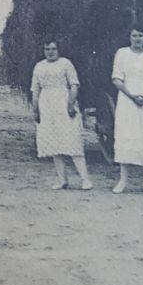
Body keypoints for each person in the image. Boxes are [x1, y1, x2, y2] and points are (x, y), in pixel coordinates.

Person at [110, 26, 143, 194]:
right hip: (128, 99)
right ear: (130, 37)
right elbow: (117, 80)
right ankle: (123, 180)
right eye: (134, 35)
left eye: (141, 35)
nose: (137, 39)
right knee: (127, 134)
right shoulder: (122, 53)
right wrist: (132, 96)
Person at [31, 40, 92, 190]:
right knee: (54, 142)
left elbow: (74, 85)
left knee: (72, 140)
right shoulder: (39, 66)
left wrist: (70, 104)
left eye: (53, 49)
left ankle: (85, 179)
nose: (50, 51)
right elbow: (35, 90)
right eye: (47, 49)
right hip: (47, 105)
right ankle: (62, 179)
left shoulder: (66, 63)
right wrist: (36, 110)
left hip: (63, 102)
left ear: (58, 50)